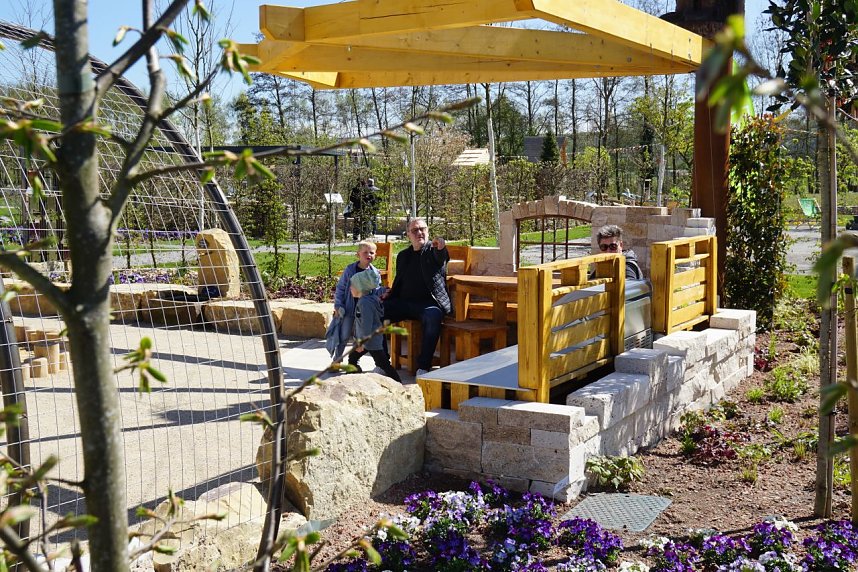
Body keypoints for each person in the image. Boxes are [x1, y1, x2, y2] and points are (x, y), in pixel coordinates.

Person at [383, 217, 450, 376]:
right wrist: (388, 294)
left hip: (428, 304)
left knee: (434, 316)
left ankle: (423, 366)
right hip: (403, 302)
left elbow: (441, 257)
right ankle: (383, 362)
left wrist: (441, 247)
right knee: (374, 310)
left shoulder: (433, 252)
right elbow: (399, 281)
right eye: (415, 230)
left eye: (423, 229)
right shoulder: (403, 256)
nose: (420, 232)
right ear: (408, 235)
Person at [326, 241, 380, 364]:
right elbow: (341, 288)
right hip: (349, 309)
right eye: (365, 252)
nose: (369, 255)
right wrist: (338, 305)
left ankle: (355, 361)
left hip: (363, 312)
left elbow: (376, 291)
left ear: (375, 255)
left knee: (360, 337)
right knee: (344, 335)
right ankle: (337, 360)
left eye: (371, 252)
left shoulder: (375, 273)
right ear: (358, 254)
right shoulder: (350, 270)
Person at [346, 265, 402, 382]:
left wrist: (361, 342)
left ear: (361, 288)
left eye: (352, 286)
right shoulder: (370, 299)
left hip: (370, 341)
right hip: (369, 339)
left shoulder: (365, 303)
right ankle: (353, 375)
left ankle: (398, 383)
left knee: (383, 364)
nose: (350, 288)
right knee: (352, 357)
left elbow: (366, 325)